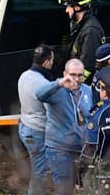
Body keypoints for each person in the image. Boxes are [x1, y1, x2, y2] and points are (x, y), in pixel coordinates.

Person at [36, 58, 94, 195]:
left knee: (82, 188)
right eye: (73, 74)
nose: (77, 79)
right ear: (65, 73)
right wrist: (60, 83)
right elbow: (39, 94)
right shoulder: (56, 89)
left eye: (80, 75)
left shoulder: (88, 91)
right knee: (64, 189)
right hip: (59, 149)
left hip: (82, 148)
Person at [17, 44, 54, 195]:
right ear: (45, 62)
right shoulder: (42, 84)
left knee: (37, 167)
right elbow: (51, 113)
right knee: (39, 171)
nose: (53, 62)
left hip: (25, 127)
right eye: (52, 60)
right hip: (37, 131)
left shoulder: (24, 75)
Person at [59, 0, 105, 84]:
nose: (66, 10)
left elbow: (87, 66)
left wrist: (75, 84)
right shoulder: (80, 25)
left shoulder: (90, 30)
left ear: (78, 7)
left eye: (69, 6)